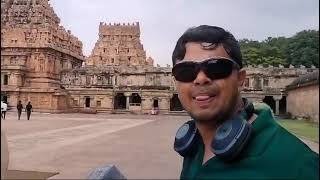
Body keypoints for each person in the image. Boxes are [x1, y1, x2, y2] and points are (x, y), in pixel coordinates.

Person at [171, 25, 319, 179]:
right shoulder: (192, 147)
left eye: (217, 68)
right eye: (186, 71)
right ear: (176, 83)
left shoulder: (298, 165)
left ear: (241, 79)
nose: (200, 79)